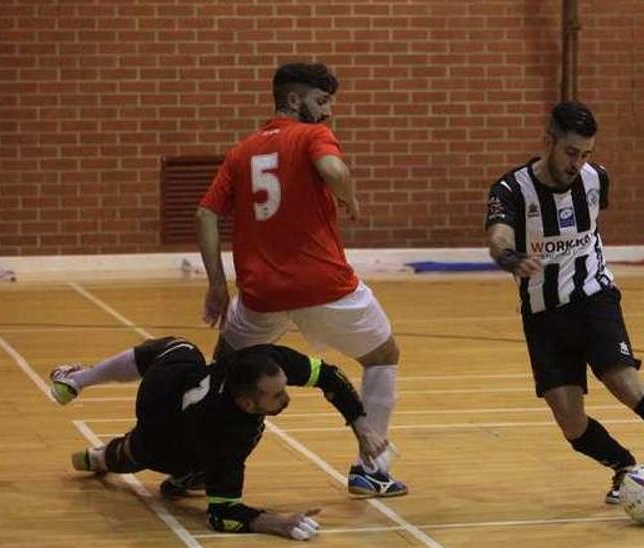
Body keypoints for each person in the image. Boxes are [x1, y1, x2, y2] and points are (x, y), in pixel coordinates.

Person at [484, 101, 644, 510]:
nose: (577, 164)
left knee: (624, 383)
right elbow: (498, 237)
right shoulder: (511, 190)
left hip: (595, 300)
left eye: (586, 155)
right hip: (543, 316)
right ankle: (623, 466)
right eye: (570, 153)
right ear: (549, 142)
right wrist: (511, 259)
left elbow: (587, 231)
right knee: (570, 421)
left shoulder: (596, 180)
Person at [194, 62, 406, 497]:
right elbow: (332, 171)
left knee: (225, 370)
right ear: (294, 100)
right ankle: (372, 468)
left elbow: (205, 214)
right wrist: (349, 196)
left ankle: (200, 464)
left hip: (260, 296)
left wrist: (217, 284)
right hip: (324, 287)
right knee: (382, 354)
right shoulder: (312, 136)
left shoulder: (241, 152)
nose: (327, 112)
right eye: (322, 101)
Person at [48, 337, 389, 541]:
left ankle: (79, 383)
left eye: (284, 388)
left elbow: (330, 376)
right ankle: (95, 444)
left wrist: (362, 426)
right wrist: (276, 523)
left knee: (181, 349)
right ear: (246, 403)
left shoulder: (265, 362)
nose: (287, 398)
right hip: (164, 428)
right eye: (276, 397)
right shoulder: (229, 433)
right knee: (132, 453)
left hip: (183, 384)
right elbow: (222, 516)